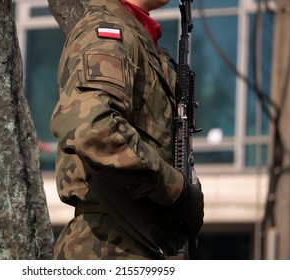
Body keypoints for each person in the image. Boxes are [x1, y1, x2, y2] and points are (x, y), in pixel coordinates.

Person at [50, 0, 204, 260]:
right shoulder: (108, 30)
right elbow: (93, 129)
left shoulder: (139, 38)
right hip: (108, 245)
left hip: (138, 241)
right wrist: (176, 190)